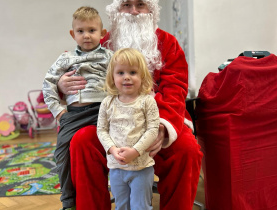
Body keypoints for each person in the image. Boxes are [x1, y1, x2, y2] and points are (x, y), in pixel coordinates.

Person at [57, 0, 203, 209]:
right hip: (110, 122)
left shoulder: (168, 43)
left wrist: (161, 127)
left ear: (151, 9)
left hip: (157, 119)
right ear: (116, 10)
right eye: (126, 4)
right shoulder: (101, 43)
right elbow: (77, 73)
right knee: (82, 142)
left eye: (141, 4)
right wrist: (62, 84)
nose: (134, 11)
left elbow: (175, 88)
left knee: (187, 150)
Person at [42, 6, 113, 210]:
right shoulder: (66, 59)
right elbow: (48, 84)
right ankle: (69, 201)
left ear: (102, 33)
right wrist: (59, 111)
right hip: (74, 115)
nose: (87, 35)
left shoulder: (110, 56)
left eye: (92, 30)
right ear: (73, 34)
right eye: (81, 31)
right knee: (61, 154)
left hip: (103, 111)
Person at [97, 48, 160, 209]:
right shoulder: (107, 103)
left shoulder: (147, 101)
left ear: (142, 76)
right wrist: (111, 149)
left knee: (141, 206)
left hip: (141, 168)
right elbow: (101, 129)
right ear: (112, 76)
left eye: (132, 72)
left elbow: (153, 129)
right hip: (116, 168)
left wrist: (135, 151)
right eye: (120, 73)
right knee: (121, 206)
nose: (126, 77)